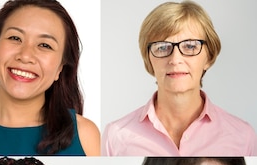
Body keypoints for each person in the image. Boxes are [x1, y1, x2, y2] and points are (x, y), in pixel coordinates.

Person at [0, 0, 100, 156]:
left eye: (45, 45)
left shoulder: (86, 135)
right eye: (15, 38)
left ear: (60, 67)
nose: (25, 56)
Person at [102, 1, 256, 156]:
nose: (175, 59)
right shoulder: (116, 136)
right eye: (162, 47)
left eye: (190, 46)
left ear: (208, 57)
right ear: (148, 59)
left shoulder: (243, 137)